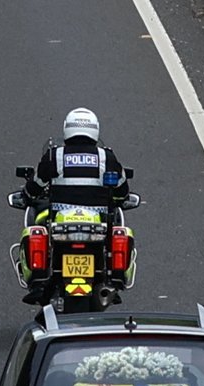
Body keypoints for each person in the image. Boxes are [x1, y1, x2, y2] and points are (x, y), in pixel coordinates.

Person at [19, 108, 132, 304]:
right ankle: (113, 277)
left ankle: (38, 282)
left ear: (67, 129)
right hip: (99, 226)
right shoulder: (107, 157)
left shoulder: (55, 156)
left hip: (60, 224)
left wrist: (27, 196)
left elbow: (34, 186)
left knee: (36, 228)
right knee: (119, 228)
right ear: (95, 130)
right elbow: (123, 191)